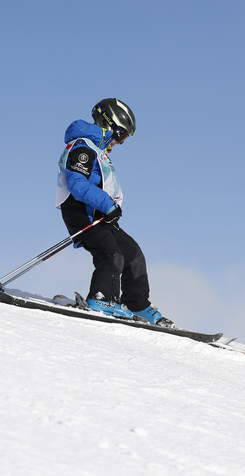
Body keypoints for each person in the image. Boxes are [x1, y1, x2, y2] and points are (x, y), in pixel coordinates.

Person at [55, 98, 172, 326]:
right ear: (110, 125)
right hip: (81, 214)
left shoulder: (98, 151)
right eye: (122, 135)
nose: (121, 142)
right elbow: (77, 184)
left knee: (132, 254)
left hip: (100, 216)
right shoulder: (83, 147)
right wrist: (107, 205)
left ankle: (137, 304)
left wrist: (109, 208)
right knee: (111, 254)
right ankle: (102, 299)